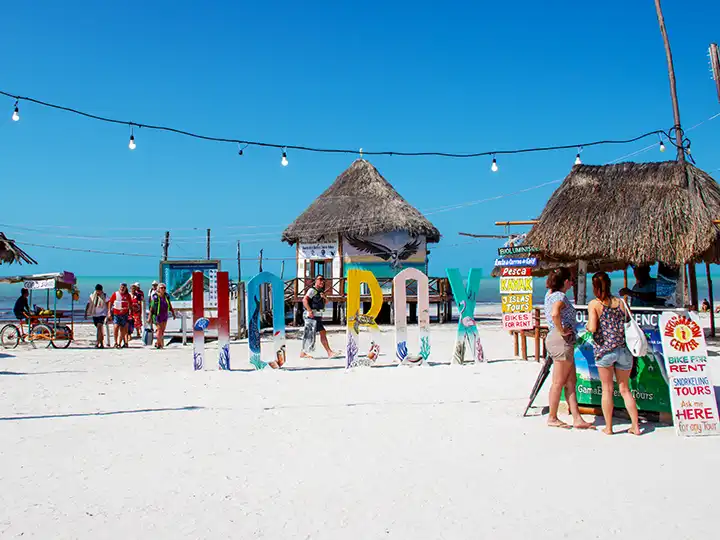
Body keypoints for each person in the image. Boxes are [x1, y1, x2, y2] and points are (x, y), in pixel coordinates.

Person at [586, 272, 641, 436]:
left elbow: (593, 327)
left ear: (594, 287)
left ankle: (609, 427)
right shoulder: (621, 302)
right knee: (625, 389)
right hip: (623, 349)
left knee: (607, 389)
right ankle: (635, 426)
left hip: (605, 350)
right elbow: (628, 322)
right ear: (609, 284)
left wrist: (588, 327)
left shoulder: (594, 304)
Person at [543, 267, 594, 430]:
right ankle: (552, 417)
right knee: (558, 381)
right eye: (571, 281)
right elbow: (555, 313)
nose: (572, 284)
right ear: (565, 282)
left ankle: (577, 418)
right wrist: (562, 330)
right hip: (560, 340)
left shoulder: (550, 294)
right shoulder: (560, 296)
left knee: (571, 381)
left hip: (558, 339)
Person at [300, 275, 341, 359]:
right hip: (312, 316)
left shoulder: (320, 291)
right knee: (316, 333)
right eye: (320, 279)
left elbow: (326, 302)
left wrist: (324, 297)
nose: (322, 281)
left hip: (317, 316)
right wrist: (309, 311)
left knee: (312, 334)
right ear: (316, 281)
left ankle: (303, 353)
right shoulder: (312, 290)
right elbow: (304, 300)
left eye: (323, 280)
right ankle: (329, 352)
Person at [149, 283, 175, 349]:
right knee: (159, 329)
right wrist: (149, 317)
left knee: (162, 330)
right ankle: (159, 344)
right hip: (157, 315)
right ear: (158, 289)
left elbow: (169, 304)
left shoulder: (166, 296)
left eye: (164, 288)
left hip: (165, 315)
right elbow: (151, 307)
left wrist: (173, 313)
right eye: (161, 288)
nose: (163, 289)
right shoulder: (155, 296)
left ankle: (158, 342)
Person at [106, 283, 132, 348]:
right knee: (116, 327)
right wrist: (109, 311)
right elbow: (110, 302)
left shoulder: (128, 295)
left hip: (124, 314)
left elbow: (130, 304)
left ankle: (120, 343)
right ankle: (115, 342)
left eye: (124, 287)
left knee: (122, 329)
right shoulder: (115, 294)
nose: (122, 288)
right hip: (116, 314)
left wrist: (130, 313)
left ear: (126, 288)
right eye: (121, 287)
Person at [85, 284, 108, 348]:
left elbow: (108, 303)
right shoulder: (92, 296)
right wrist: (86, 312)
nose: (98, 292)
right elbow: (88, 303)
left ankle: (97, 343)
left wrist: (109, 312)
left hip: (102, 314)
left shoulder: (105, 296)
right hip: (94, 314)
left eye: (99, 291)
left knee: (99, 326)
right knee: (99, 329)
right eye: (97, 291)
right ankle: (101, 343)